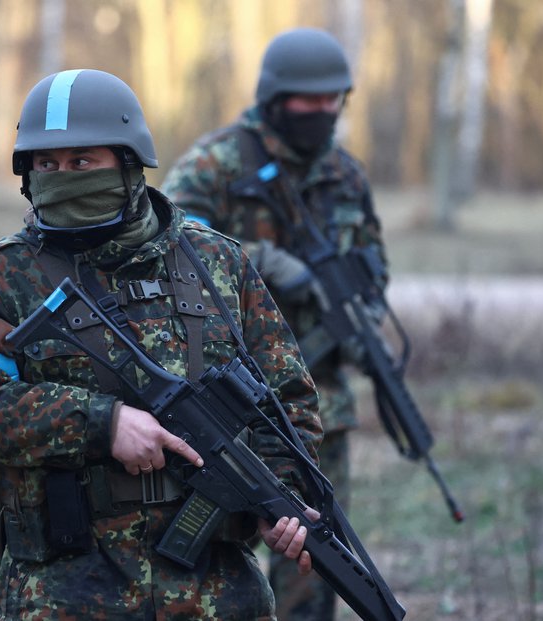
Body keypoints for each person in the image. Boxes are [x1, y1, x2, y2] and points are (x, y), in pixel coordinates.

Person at [0, 68, 324, 620]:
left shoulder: (216, 264)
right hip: (62, 595)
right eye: (48, 164)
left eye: (82, 161)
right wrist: (102, 423)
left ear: (129, 163)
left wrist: (280, 498)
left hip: (217, 594)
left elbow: (289, 400)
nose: (62, 176)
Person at [161, 28, 389, 621]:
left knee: (314, 561)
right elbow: (165, 240)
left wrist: (362, 316)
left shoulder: (345, 175)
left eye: (330, 102)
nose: (319, 113)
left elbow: (372, 260)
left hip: (316, 408)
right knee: (212, 559)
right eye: (304, 102)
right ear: (273, 97)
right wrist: (262, 260)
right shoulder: (217, 162)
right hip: (224, 401)